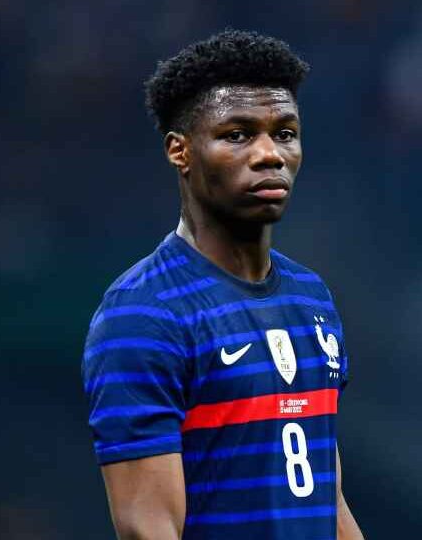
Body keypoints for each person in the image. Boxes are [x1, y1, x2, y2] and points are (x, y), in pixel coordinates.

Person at [81, 29, 365, 540]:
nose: (270, 154)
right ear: (180, 151)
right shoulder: (143, 313)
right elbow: (148, 528)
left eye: (285, 133)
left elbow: (329, 500)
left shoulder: (311, 296)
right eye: (238, 135)